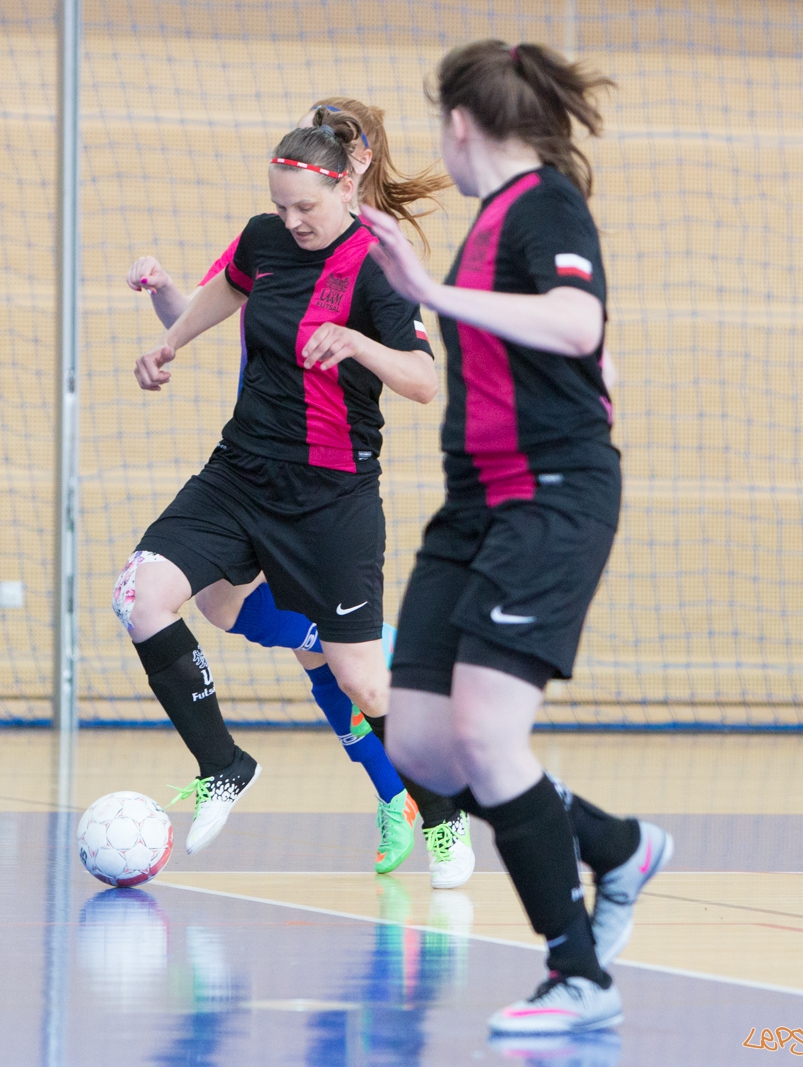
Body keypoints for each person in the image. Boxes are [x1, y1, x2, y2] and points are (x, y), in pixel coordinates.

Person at [363, 41, 672, 1036]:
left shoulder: (544, 203)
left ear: (460, 124)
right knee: (420, 743)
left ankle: (577, 974)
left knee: (488, 738)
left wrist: (429, 292)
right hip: (476, 504)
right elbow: (585, 348)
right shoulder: (496, 219)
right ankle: (615, 845)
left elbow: (576, 321)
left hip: (549, 499)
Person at [126, 98, 475, 887]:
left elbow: (424, 381)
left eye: (304, 208)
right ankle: (224, 764)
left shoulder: (379, 267)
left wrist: (356, 343)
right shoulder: (265, 240)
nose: (291, 222)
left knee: (362, 681)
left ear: (346, 186)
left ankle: (442, 815)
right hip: (240, 472)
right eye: (280, 207)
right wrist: (167, 341)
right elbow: (220, 296)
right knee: (147, 596)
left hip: (330, 495)